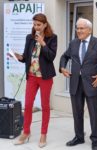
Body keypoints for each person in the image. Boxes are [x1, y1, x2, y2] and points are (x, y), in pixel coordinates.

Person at [59, 18, 97, 150]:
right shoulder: (73, 43)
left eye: (82, 28)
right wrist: (62, 68)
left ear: (89, 30)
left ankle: (95, 140)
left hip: (92, 84)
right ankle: (79, 137)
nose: (79, 31)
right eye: (77, 28)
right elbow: (64, 57)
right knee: (77, 113)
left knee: (93, 114)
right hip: (75, 84)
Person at [13, 13, 57, 148]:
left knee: (45, 106)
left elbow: (51, 57)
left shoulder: (52, 38)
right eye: (34, 24)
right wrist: (18, 57)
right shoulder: (29, 38)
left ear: (45, 25)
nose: (36, 27)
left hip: (45, 77)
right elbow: (26, 57)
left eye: (38, 24)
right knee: (27, 105)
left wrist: (43, 43)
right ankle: (26, 132)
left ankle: (43, 134)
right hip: (31, 76)